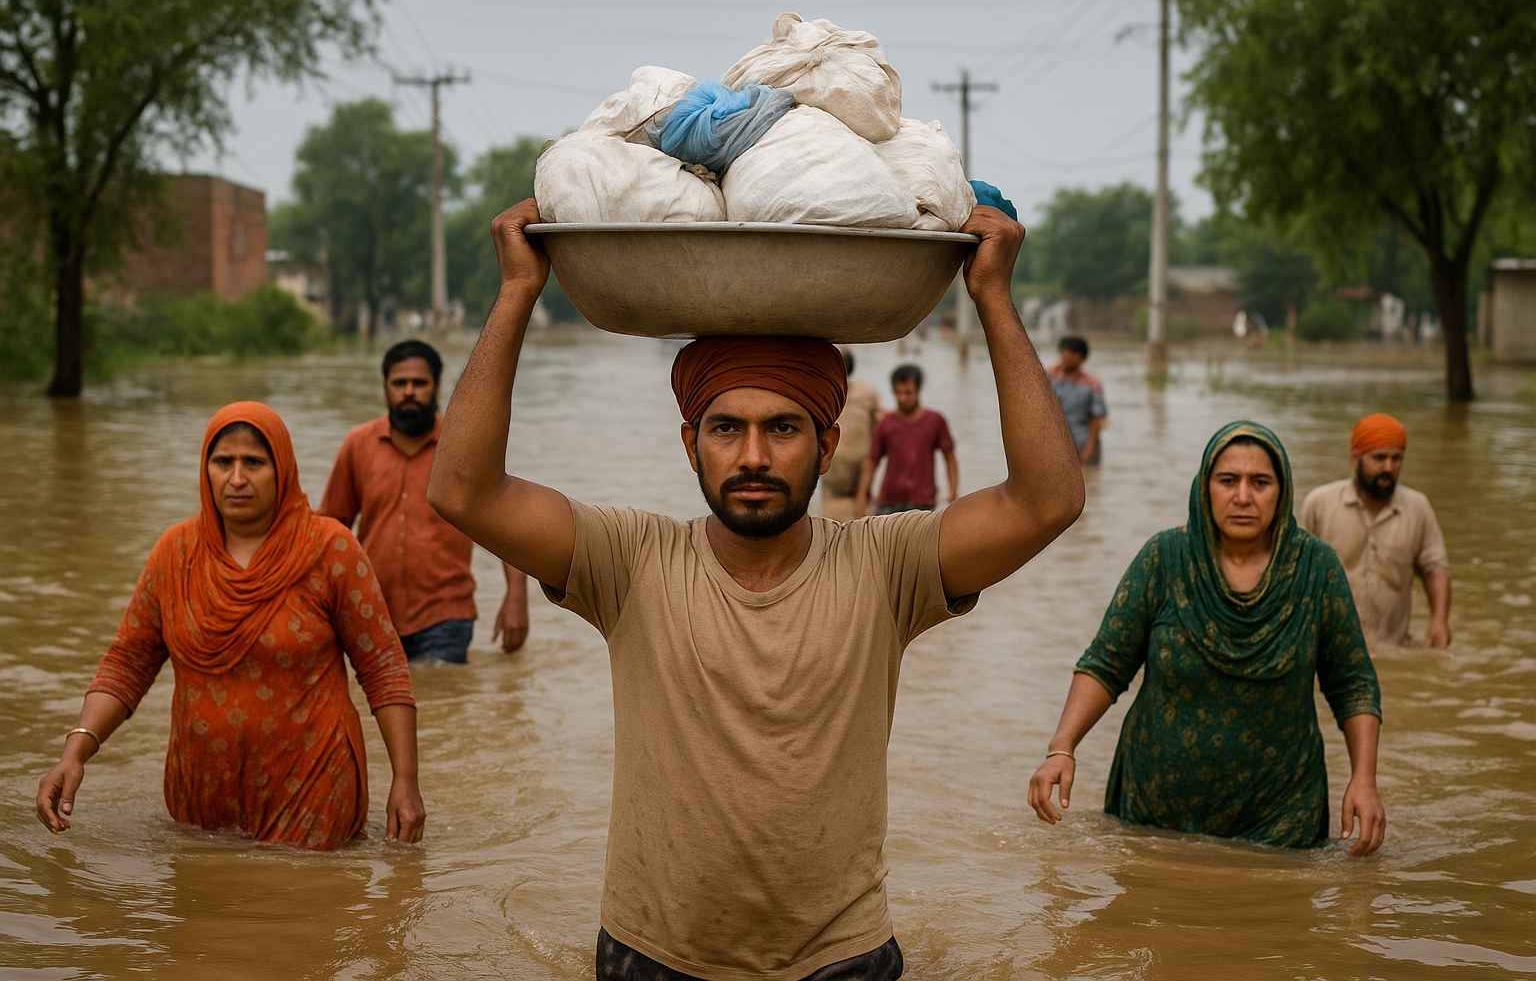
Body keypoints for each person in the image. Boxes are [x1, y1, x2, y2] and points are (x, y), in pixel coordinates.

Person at [428, 198, 1083, 979]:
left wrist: (994, 299)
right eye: (725, 428)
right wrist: (515, 295)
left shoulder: (887, 565)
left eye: (782, 427)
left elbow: (1047, 500)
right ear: (688, 443)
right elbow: (464, 491)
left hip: (841, 960)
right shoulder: (629, 559)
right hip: (652, 955)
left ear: (828, 442)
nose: (753, 456)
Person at [35, 402, 425, 849]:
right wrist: (75, 753)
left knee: (314, 906)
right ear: (206, 470)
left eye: (254, 463)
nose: (236, 479)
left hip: (314, 785)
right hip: (202, 789)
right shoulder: (175, 553)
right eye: (223, 463)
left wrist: (405, 779)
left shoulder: (330, 549)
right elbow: (128, 663)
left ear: (282, 470)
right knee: (203, 908)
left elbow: (383, 668)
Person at [1028, 422, 1386, 855]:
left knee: (1279, 915)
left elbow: (1353, 683)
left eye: (1260, 483)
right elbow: (1107, 662)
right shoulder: (1164, 558)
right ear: (1205, 487)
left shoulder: (1316, 569)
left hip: (1280, 813)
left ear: (1283, 491)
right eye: (1228, 481)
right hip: (1153, 811)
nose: (1243, 497)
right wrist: (1061, 748)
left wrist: (1364, 779)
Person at [318, 340, 531, 663]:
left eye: (419, 383)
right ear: (385, 387)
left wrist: (516, 596)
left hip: (445, 616)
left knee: (443, 702)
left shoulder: (463, 446)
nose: (409, 392)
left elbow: (502, 523)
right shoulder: (358, 445)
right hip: (371, 612)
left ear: (435, 386)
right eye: (399, 383)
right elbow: (332, 528)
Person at [1299, 413, 1451, 649]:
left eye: (1396, 458)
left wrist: (1439, 622)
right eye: (1379, 458)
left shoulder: (1418, 508)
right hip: (1329, 651)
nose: (1388, 467)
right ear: (1355, 457)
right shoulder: (1319, 504)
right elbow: (1296, 572)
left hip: (1393, 648)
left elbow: (1435, 567)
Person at [853, 364, 958, 517]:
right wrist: (861, 498)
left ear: (918, 390)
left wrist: (953, 492)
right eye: (898, 393)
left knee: (922, 541)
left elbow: (949, 457)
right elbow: (871, 463)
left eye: (908, 393)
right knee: (885, 541)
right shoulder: (886, 423)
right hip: (888, 502)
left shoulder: (935, 421)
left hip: (923, 502)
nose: (903, 398)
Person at [820, 347, 881, 522]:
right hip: (832, 470)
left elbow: (877, 428)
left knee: (862, 520)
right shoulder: (824, 393)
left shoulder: (866, 393)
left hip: (861, 468)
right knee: (832, 523)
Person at [1048, 336, 1107, 465]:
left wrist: (1089, 449)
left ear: (1079, 357)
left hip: (1083, 443)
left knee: (1088, 481)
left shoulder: (1092, 384)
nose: (1063, 359)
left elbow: (1096, 419)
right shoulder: (1051, 379)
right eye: (1062, 355)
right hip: (1056, 445)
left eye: (1067, 356)